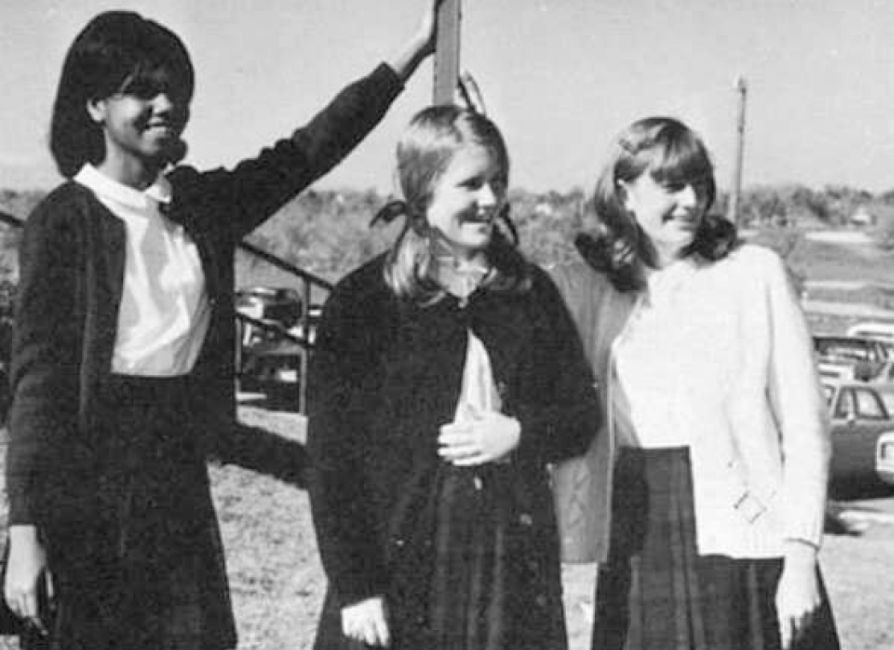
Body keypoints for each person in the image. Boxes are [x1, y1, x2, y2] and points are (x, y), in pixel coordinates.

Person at [3, 6, 438, 649]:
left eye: (175, 89)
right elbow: (38, 386)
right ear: (94, 104)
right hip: (88, 494)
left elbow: (307, 153)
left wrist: (415, 52)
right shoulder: (64, 221)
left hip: (175, 483)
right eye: (142, 90)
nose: (165, 105)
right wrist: (25, 534)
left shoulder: (198, 207)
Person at [307, 105, 601, 649]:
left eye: (499, 183)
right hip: (403, 561)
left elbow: (582, 414)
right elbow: (331, 461)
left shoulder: (530, 294)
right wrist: (356, 586)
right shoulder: (365, 302)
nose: (490, 200)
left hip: (507, 556)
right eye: (471, 184)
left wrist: (518, 434)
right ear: (423, 189)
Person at [549, 116, 840, 650]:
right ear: (624, 193)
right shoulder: (592, 288)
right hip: (636, 529)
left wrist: (800, 557)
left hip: (748, 539)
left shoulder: (754, 273)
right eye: (670, 185)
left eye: (700, 184)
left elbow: (805, 427)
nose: (690, 200)